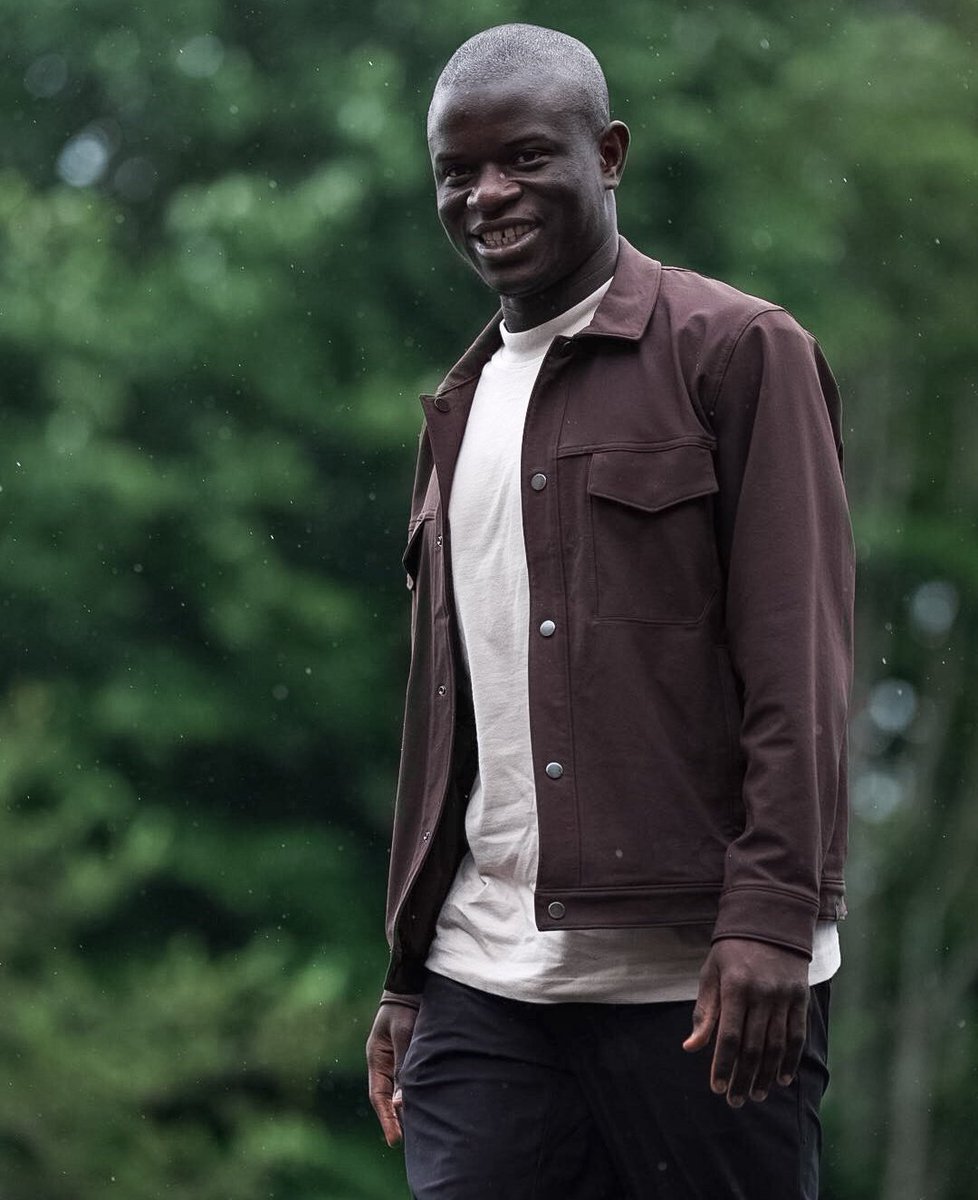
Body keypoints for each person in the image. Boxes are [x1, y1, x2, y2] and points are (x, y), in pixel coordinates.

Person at [366, 23, 854, 1200]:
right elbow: (454, 719)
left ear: (611, 153)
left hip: (699, 992)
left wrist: (777, 920)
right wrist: (407, 970)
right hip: (485, 992)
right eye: (456, 171)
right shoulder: (459, 405)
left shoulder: (738, 353)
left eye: (525, 158)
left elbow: (801, 663)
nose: (487, 195)